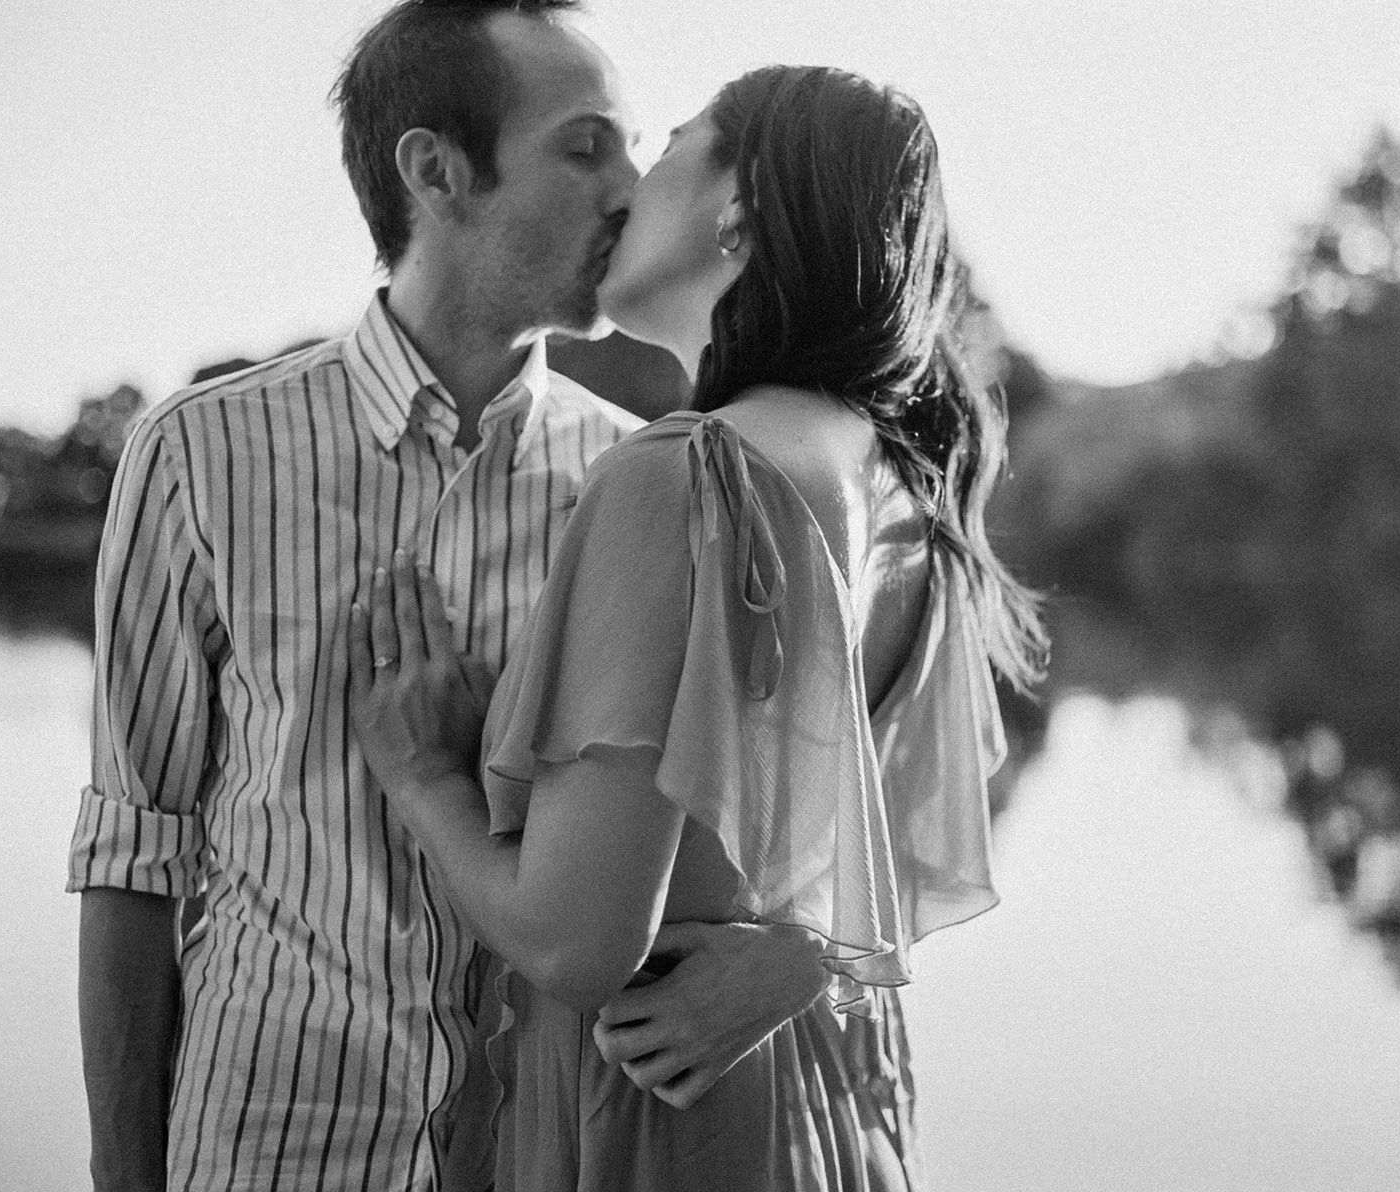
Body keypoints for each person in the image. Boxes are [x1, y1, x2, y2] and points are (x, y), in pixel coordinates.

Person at [67, 5, 830, 1189]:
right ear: (435, 171)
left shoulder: (661, 483)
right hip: (270, 1153)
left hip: (555, 1156)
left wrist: (800, 955)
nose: (628, 191)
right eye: (584, 150)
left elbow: (801, 832)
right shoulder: (197, 456)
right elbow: (135, 857)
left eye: (632, 151)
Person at [351, 64, 1049, 1190]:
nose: (624, 186)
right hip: (832, 1116)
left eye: (666, 146)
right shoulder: (906, 491)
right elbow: (890, 855)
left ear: (743, 206)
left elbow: (576, 942)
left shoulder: (681, 475)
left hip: (669, 1122)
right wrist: (804, 954)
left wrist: (424, 775)